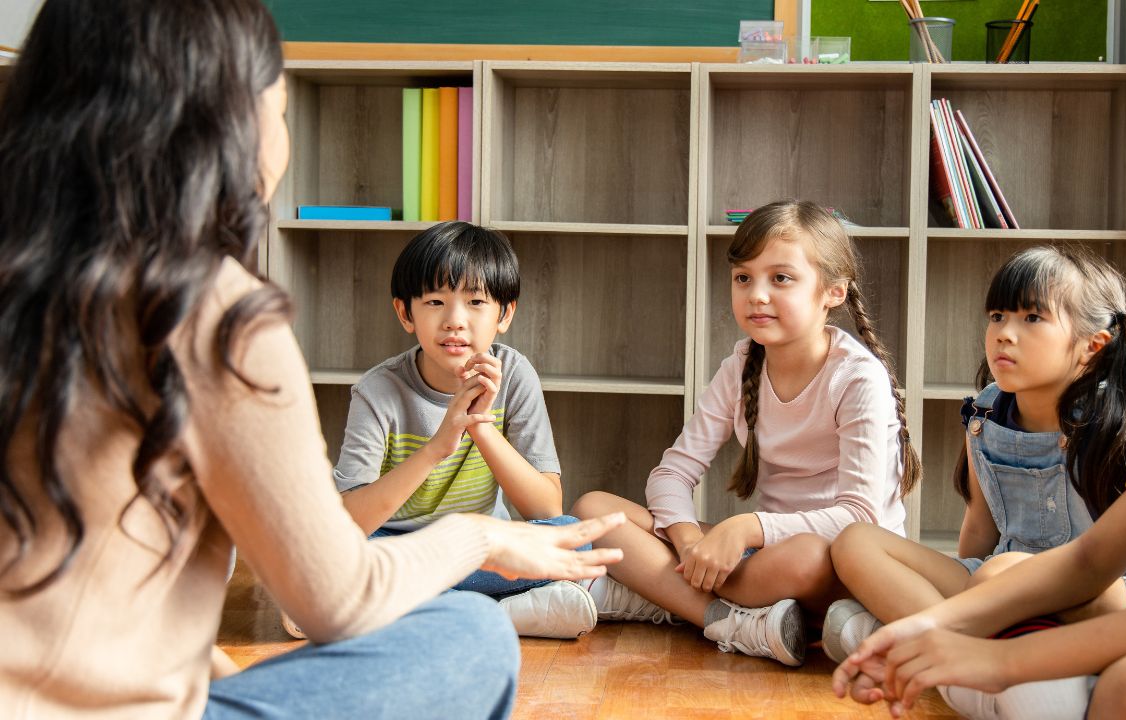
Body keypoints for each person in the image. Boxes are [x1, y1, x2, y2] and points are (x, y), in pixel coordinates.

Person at [0, 2, 622, 718]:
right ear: (230, 126)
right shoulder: (217, 315)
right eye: (283, 111)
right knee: (469, 635)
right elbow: (337, 598)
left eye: (478, 305)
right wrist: (479, 533)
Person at [833, 175, 1126, 719]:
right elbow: (1092, 559)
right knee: (1024, 580)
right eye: (997, 316)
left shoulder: (1112, 422)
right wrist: (925, 631)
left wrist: (999, 662)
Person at [822, 246, 1126, 718]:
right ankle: (941, 642)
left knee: (1002, 571)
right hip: (991, 583)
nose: (1004, 334)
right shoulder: (985, 414)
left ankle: (911, 643)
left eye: (1032, 318)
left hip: (1082, 599)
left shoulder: (1109, 426)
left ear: (1093, 347)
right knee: (853, 542)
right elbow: (980, 531)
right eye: (997, 315)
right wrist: (965, 585)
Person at [573, 199, 920, 666]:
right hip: (759, 555)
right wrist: (688, 542)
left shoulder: (856, 377)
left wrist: (746, 527)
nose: (757, 294)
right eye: (743, 278)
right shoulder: (740, 366)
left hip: (831, 562)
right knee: (595, 510)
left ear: (833, 292)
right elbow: (672, 473)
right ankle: (733, 621)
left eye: (780, 278)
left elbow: (858, 518)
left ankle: (665, 599)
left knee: (805, 556)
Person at [319, 221, 595, 640]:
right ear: (404, 312)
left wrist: (481, 426)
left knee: (572, 539)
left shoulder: (515, 375)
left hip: (477, 552)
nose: (454, 321)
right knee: (329, 556)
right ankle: (503, 613)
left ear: (505, 314)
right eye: (434, 302)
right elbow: (349, 522)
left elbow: (546, 509)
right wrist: (437, 447)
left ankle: (402, 608)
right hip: (398, 549)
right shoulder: (379, 390)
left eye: (475, 302)